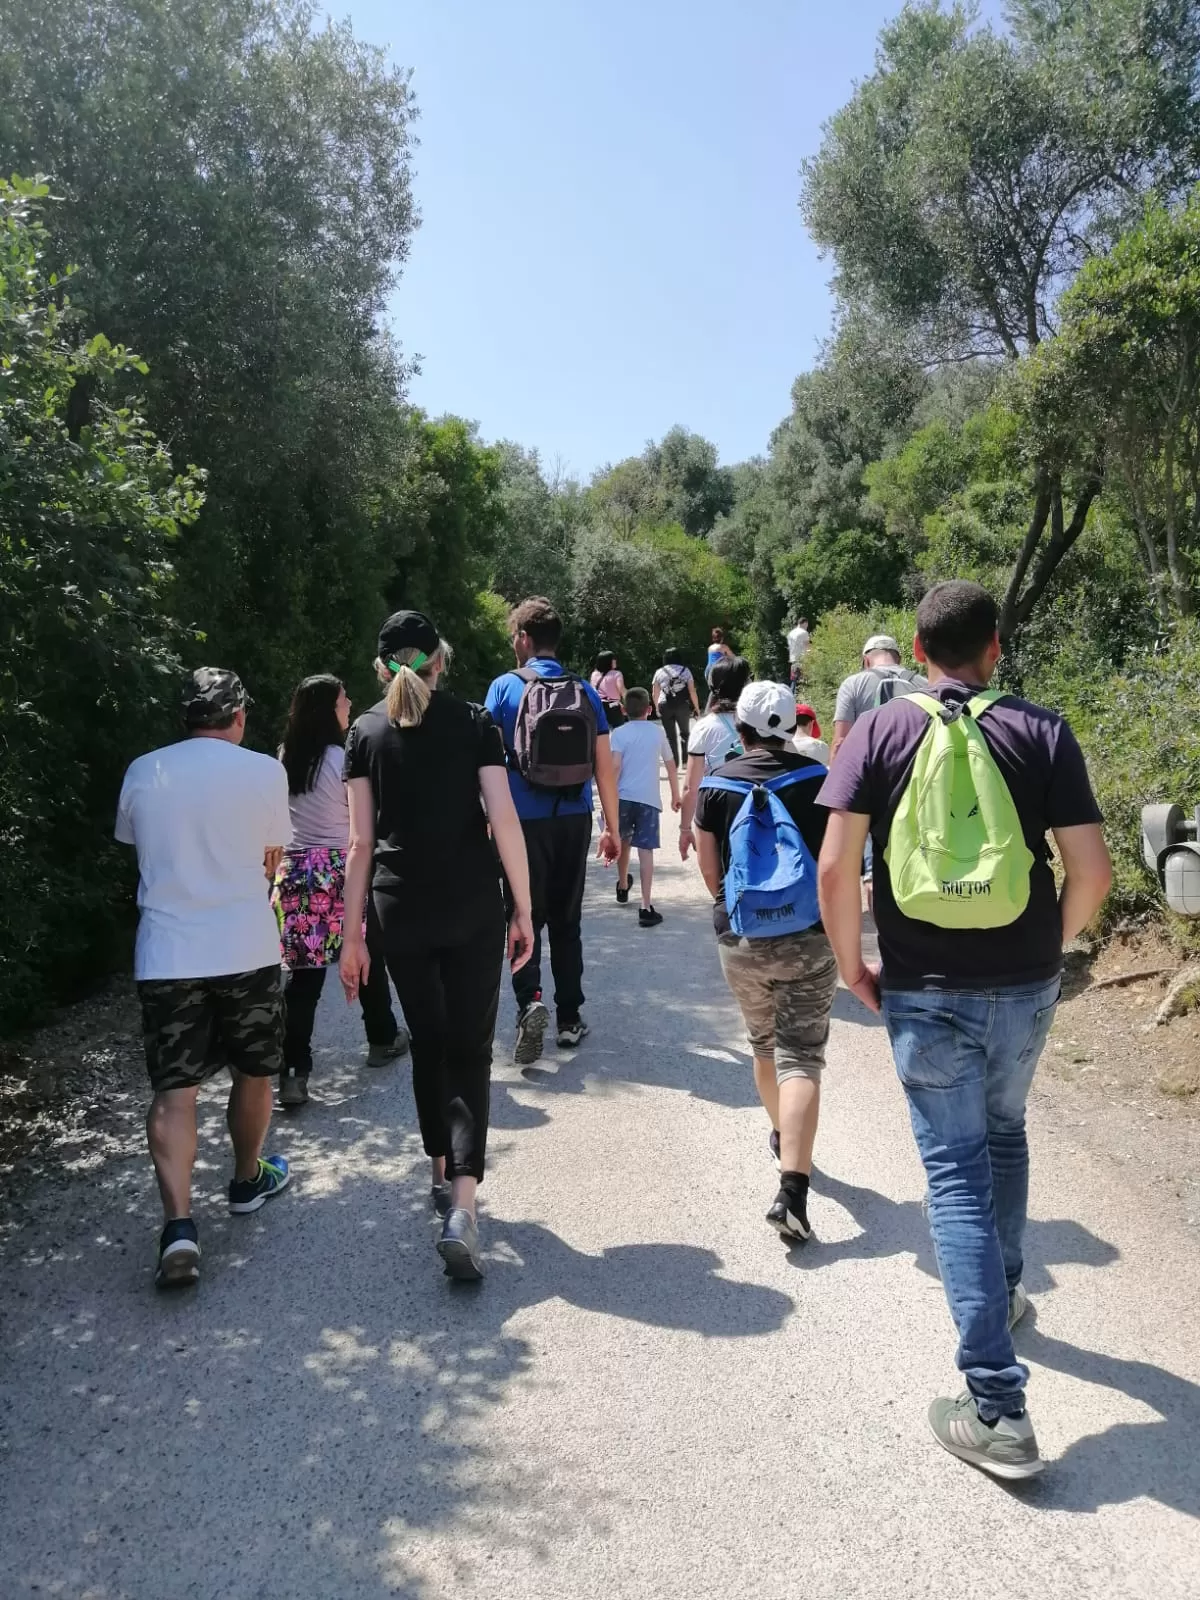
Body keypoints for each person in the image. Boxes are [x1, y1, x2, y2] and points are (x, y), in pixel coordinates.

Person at [816, 580, 1112, 1480]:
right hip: (1023, 982)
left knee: (952, 1172)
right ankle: (1009, 1291)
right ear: (995, 648)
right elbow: (1090, 872)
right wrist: (1045, 950)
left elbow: (835, 866)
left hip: (923, 987)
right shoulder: (1042, 728)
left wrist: (851, 966)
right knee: (1006, 1132)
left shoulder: (879, 728)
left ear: (915, 645)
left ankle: (996, 1405)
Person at [339, 611, 535, 1281]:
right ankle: (463, 1205)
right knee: (470, 1050)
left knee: (428, 1043)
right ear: (439, 661)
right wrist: (526, 909)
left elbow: (360, 844)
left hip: (400, 909)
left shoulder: (362, 732)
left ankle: (437, 1163)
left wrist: (349, 936)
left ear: (381, 668)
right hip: (472, 903)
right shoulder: (475, 721)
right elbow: (502, 817)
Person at [115, 668, 293, 1291]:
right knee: (254, 1070)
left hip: (167, 952)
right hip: (245, 944)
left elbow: (137, 847)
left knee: (174, 1090)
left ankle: (179, 1226)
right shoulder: (263, 773)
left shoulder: (144, 771)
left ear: (186, 717)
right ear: (238, 717)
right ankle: (246, 1179)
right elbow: (273, 856)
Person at [692, 682, 836, 1241]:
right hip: (809, 937)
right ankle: (792, 1188)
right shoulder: (819, 781)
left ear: (742, 730)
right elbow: (835, 869)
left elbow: (711, 876)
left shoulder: (714, 784)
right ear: (792, 726)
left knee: (763, 1046)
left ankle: (783, 1134)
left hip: (740, 939)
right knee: (802, 1056)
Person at [486, 597, 620, 1064]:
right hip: (574, 818)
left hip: (520, 822)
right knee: (567, 920)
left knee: (523, 914)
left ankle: (529, 1005)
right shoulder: (584, 690)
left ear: (524, 638)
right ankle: (568, 1019)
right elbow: (605, 768)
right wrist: (612, 828)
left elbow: (486, 764)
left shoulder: (503, 688)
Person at [271, 674, 408, 1108]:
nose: (349, 704)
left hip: (295, 872)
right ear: (329, 707)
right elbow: (362, 818)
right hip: (338, 869)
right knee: (366, 952)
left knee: (303, 976)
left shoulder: (284, 757)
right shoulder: (343, 758)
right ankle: (381, 1037)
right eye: (344, 698)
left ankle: (293, 1070)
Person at [610, 687, 681, 927]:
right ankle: (646, 905)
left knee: (623, 841)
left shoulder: (618, 734)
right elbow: (671, 765)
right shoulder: (658, 732)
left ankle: (622, 884)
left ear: (623, 710)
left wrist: (609, 796)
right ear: (649, 710)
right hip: (648, 799)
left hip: (622, 797)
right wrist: (675, 794)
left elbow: (615, 767)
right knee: (646, 851)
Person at [678, 654, 752, 861]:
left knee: (722, 878)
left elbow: (691, 788)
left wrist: (685, 828)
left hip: (718, 812)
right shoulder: (758, 722)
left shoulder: (704, 727)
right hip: (757, 807)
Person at [829, 633, 926, 762]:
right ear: (899, 660)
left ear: (866, 661)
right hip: (917, 773)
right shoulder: (925, 684)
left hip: (870, 774)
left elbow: (840, 742)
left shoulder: (852, 684)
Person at [652, 647, 700, 770]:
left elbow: (655, 693)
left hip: (664, 705)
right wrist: (696, 708)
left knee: (670, 736)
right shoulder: (685, 671)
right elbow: (692, 691)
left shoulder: (659, 672)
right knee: (685, 733)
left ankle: (674, 764)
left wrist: (657, 708)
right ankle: (685, 762)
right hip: (682, 705)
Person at [590, 650, 627, 729]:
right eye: (613, 659)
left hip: (598, 706)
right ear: (608, 661)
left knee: (601, 732)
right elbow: (622, 690)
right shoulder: (617, 674)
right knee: (618, 731)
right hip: (613, 707)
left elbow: (592, 691)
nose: (615, 661)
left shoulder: (594, 674)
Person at [786, 617, 811, 688]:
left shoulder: (790, 633)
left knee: (794, 681)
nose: (807, 627)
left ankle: (792, 696)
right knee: (804, 682)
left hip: (793, 660)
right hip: (803, 659)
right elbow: (807, 647)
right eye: (807, 625)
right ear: (805, 623)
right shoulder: (804, 633)